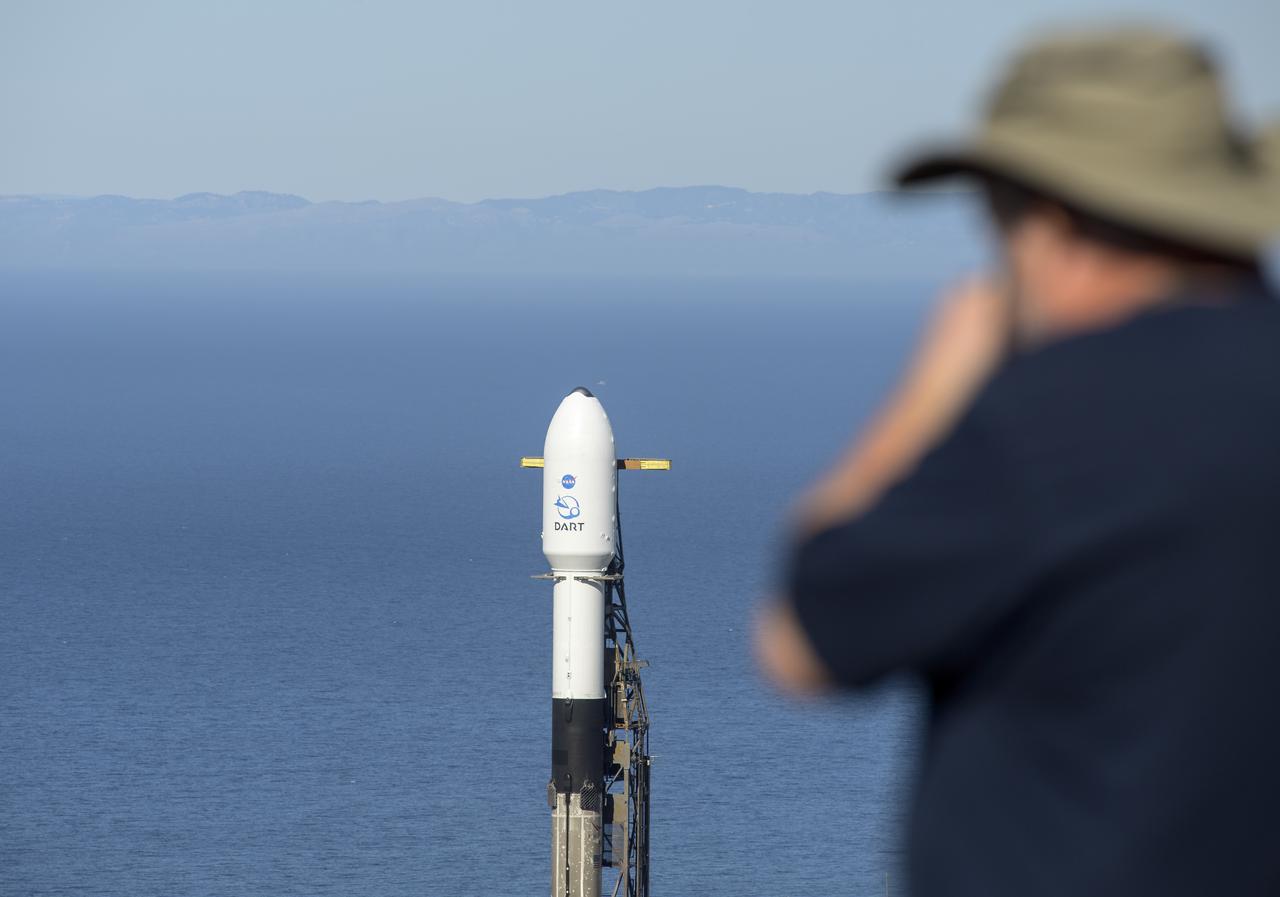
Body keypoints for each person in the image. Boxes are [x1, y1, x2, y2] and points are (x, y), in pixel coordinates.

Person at [755, 26, 1280, 897]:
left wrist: (934, 390)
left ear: (1055, 225)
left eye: (999, 222)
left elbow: (804, 639)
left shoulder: (1054, 421)